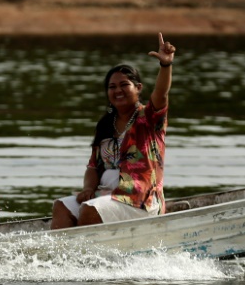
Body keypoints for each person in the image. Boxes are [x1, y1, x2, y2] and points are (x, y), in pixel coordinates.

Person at [50, 33, 176, 229]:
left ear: (138, 88)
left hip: (139, 200)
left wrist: (166, 65)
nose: (118, 90)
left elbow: (161, 93)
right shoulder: (105, 125)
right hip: (103, 195)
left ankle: (88, 255)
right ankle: (66, 258)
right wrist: (88, 188)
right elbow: (93, 166)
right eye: (112, 87)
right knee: (60, 207)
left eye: (124, 85)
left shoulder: (149, 118)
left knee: (90, 210)